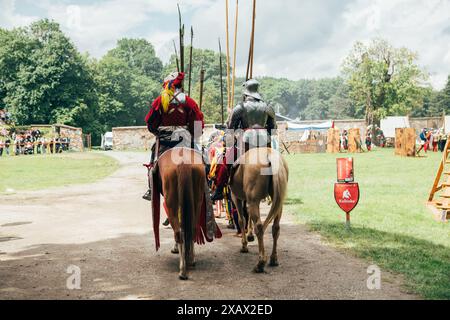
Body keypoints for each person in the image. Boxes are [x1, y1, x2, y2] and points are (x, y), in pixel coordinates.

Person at [210, 79, 277, 201]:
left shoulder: (240, 107)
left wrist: (230, 140)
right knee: (274, 163)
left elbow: (230, 129)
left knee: (226, 161)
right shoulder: (267, 107)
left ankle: (219, 190)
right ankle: (274, 186)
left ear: (246, 93)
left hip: (245, 142)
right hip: (265, 142)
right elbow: (273, 128)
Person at [142, 71, 204, 201]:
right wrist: (196, 134)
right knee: (202, 161)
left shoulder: (160, 100)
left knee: (154, 163)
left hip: (165, 141)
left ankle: (150, 188)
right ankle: (206, 185)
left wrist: (156, 132)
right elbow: (197, 122)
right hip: (185, 140)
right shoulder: (189, 101)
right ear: (181, 85)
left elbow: (150, 121)